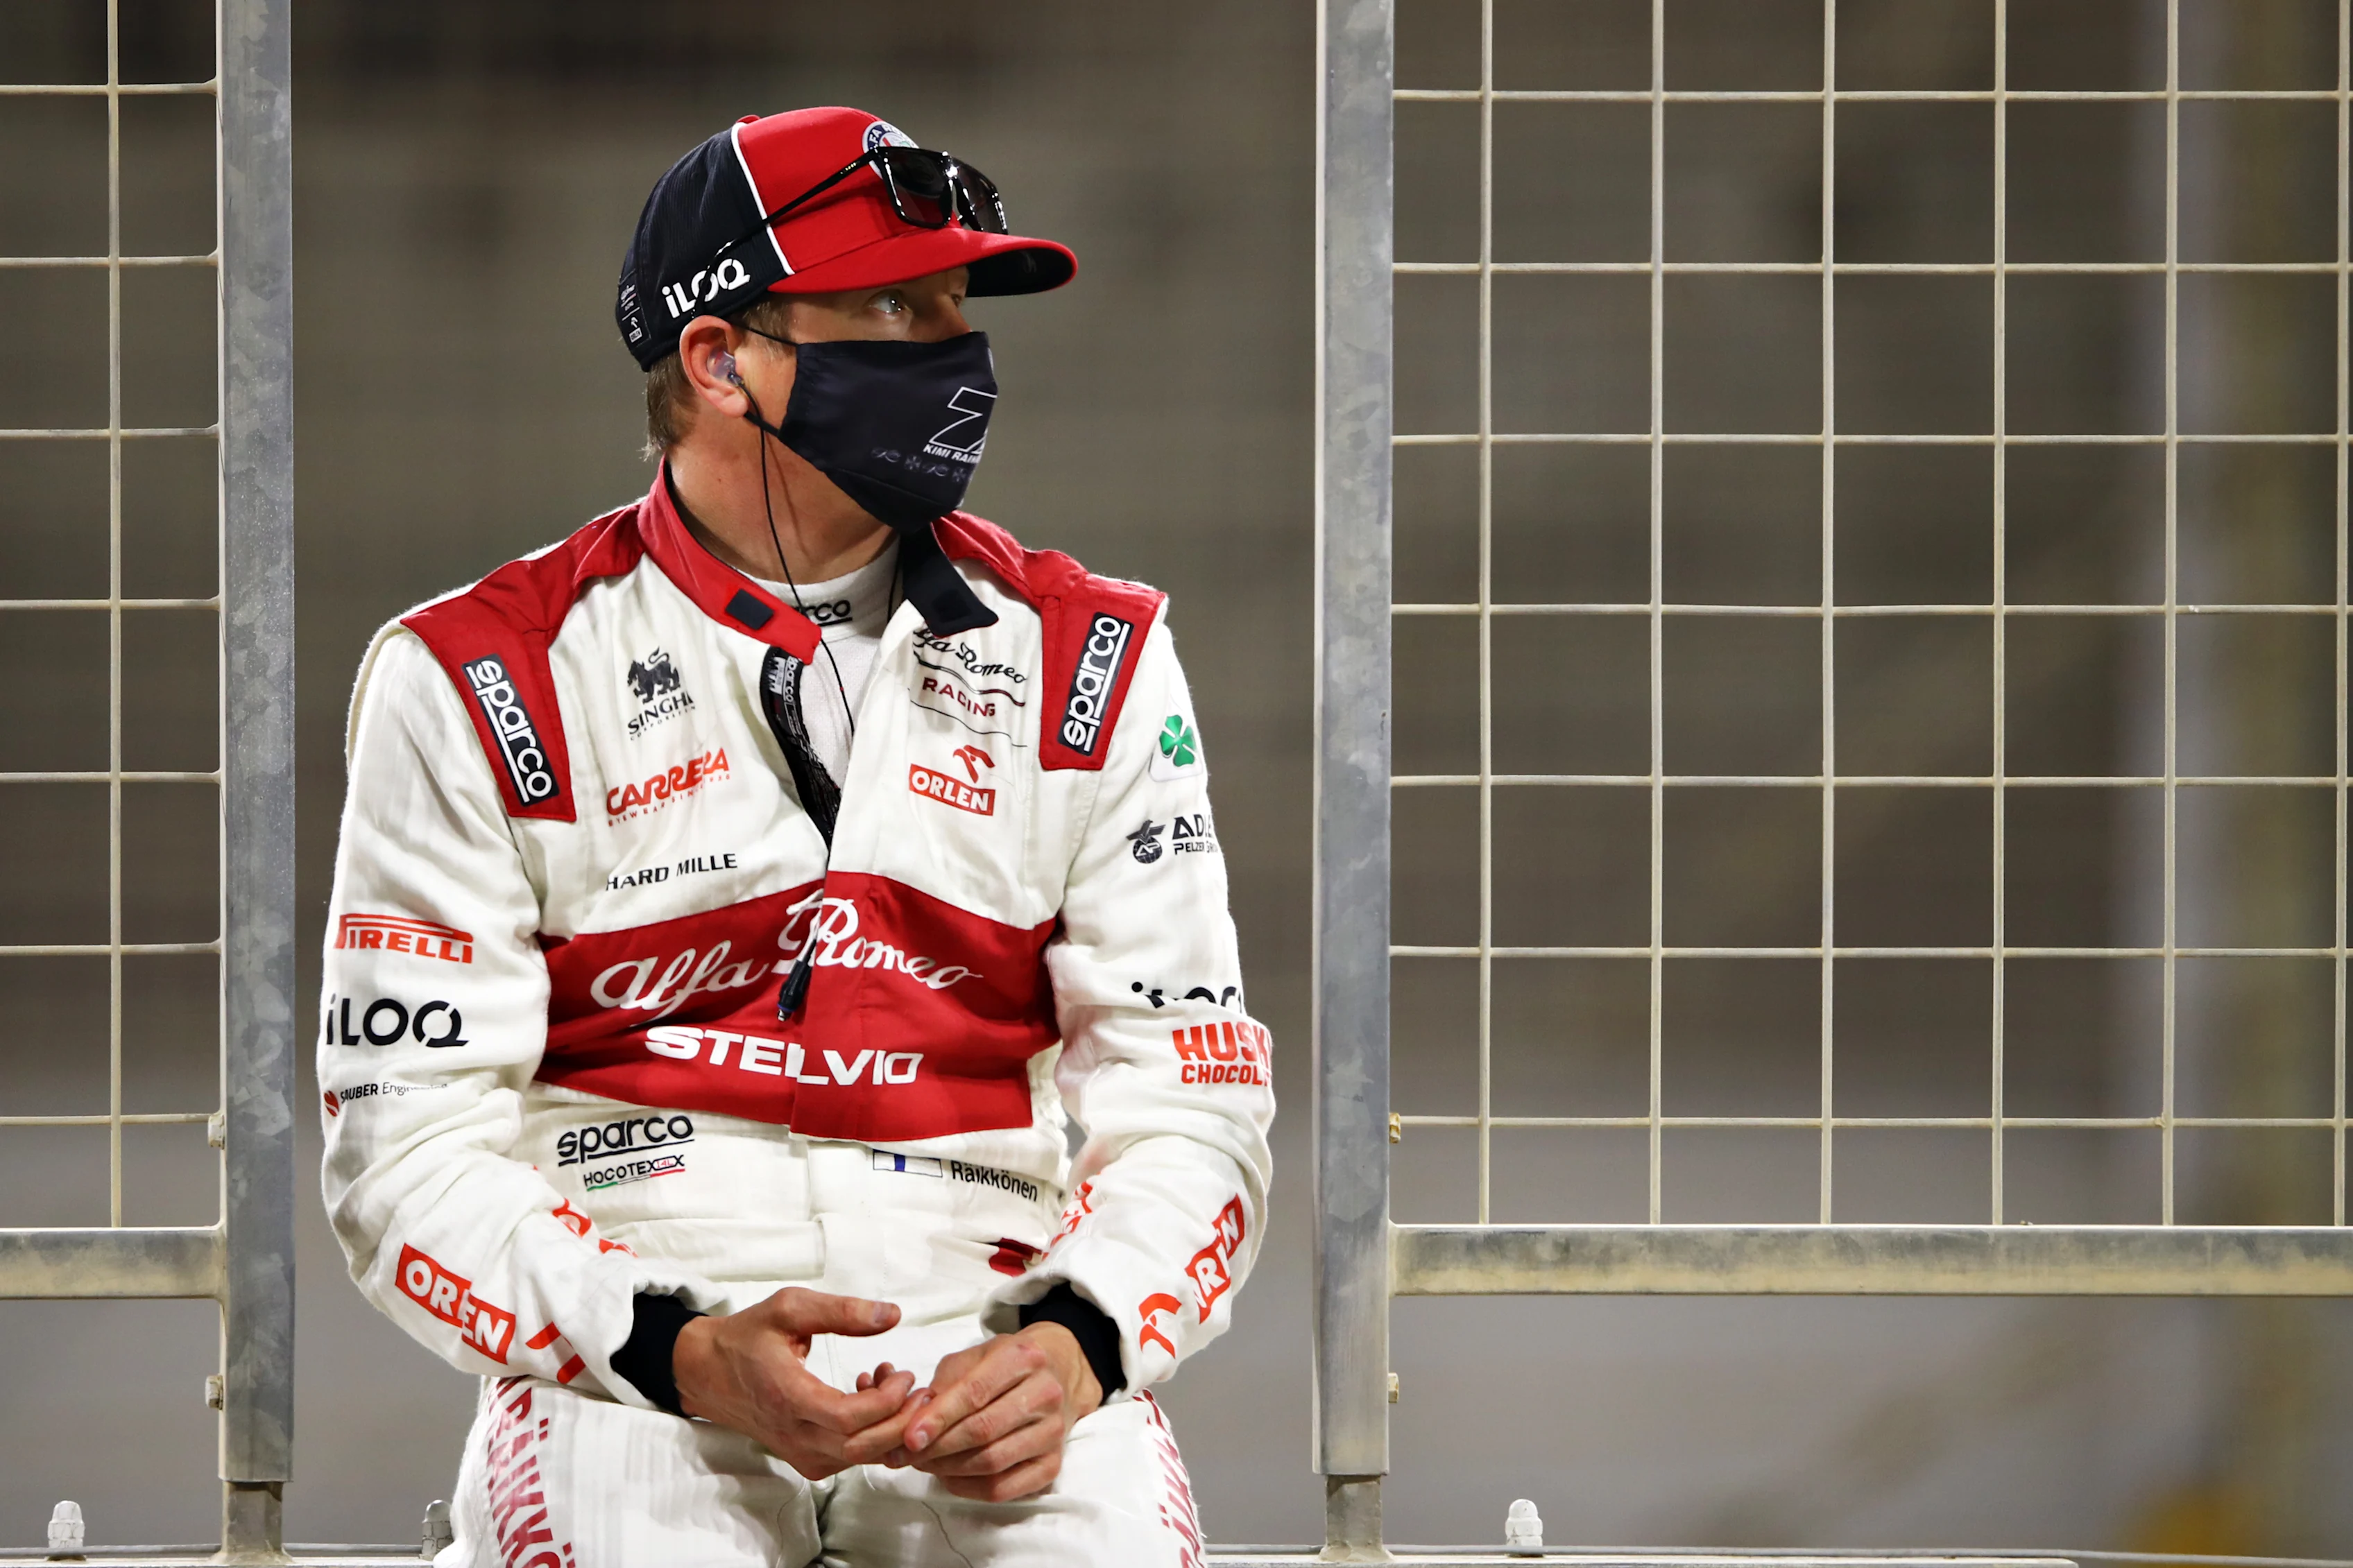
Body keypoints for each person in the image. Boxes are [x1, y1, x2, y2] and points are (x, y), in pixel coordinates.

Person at [316, 105, 1274, 1567]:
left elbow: (1190, 1098)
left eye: (958, 305)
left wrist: (1078, 1340)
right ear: (719, 360)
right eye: (897, 306)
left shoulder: (1095, 663)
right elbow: (403, 1145)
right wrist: (676, 1345)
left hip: (990, 1335)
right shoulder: (478, 678)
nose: (956, 353)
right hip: (632, 1353)